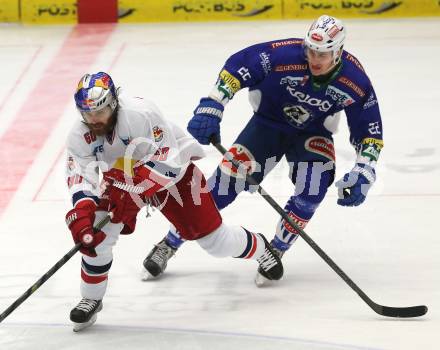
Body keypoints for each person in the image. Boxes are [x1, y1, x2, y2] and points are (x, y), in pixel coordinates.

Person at [143, 14, 384, 286]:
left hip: (313, 134)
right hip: (267, 127)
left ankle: (275, 250)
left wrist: (365, 170)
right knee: (221, 189)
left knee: (313, 188)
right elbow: (238, 65)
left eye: (323, 53)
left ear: (338, 52)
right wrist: (214, 104)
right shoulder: (283, 55)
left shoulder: (355, 81)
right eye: (311, 49)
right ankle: (171, 241)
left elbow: (369, 131)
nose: (314, 58)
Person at [65, 72, 283, 331]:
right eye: (87, 114)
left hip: (174, 176)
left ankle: (259, 247)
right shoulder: (80, 135)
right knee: (96, 237)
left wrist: (131, 189)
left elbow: (169, 161)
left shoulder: (141, 113)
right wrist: (83, 209)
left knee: (215, 242)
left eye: (98, 113)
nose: (93, 120)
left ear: (113, 103)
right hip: (122, 179)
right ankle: (91, 297)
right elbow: (81, 174)